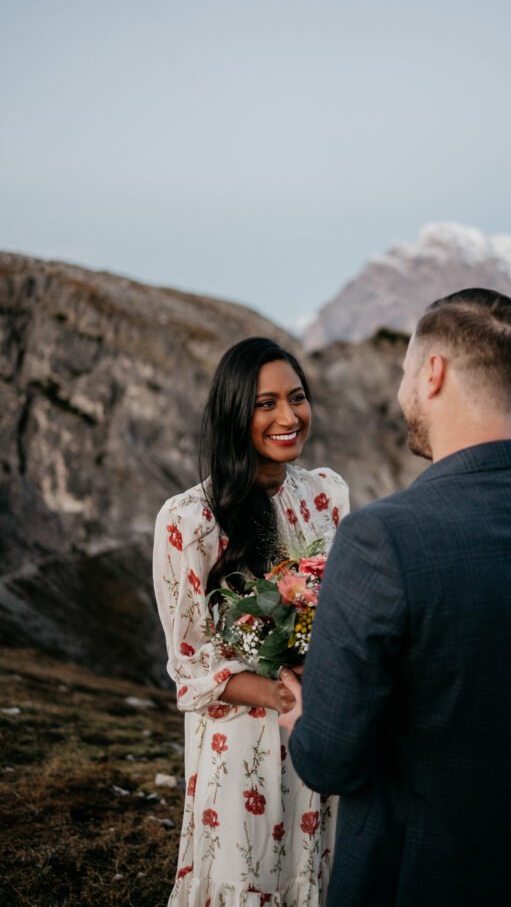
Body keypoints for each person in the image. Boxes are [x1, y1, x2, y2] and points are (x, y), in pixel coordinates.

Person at [279, 289, 511, 907]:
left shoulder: (381, 537)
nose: (403, 389)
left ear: (432, 374)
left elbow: (330, 763)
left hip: (407, 878)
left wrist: (301, 715)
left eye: (406, 370)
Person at [153, 336, 349, 907]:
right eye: (266, 403)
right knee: (250, 874)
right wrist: (284, 697)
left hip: (316, 729)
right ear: (235, 412)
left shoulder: (327, 496)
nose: (289, 417)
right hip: (241, 746)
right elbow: (190, 667)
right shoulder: (189, 521)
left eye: (298, 397)